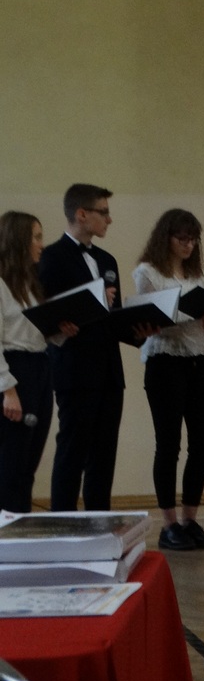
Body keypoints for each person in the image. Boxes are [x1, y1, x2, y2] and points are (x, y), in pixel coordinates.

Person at [134, 209, 204, 550]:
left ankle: (190, 519)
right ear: (166, 238)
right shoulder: (147, 272)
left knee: (203, 443)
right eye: (182, 239)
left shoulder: (194, 274)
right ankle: (169, 524)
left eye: (193, 240)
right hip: (165, 363)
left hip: (200, 362)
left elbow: (197, 321)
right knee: (168, 444)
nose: (188, 245)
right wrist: (195, 315)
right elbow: (154, 318)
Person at [38, 184, 126, 511]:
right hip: (74, 369)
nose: (110, 220)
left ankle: (99, 521)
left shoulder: (106, 259)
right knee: (72, 451)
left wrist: (143, 327)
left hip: (109, 370)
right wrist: (75, 312)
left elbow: (114, 317)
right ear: (82, 214)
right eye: (104, 212)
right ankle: (62, 521)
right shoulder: (51, 257)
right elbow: (44, 314)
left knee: (104, 454)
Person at [0, 212, 55, 512]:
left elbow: (35, 332)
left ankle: (22, 526)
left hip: (39, 368)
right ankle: (7, 529)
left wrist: (61, 329)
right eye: (36, 237)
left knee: (28, 462)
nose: (41, 244)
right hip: (15, 372)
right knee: (12, 461)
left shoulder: (30, 284)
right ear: (19, 241)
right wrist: (8, 390)